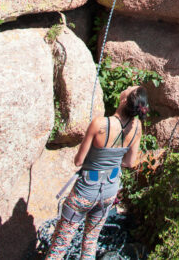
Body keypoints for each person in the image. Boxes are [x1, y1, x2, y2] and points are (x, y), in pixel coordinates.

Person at [45, 85, 148, 260]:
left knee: (59, 246)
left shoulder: (100, 124)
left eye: (131, 87)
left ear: (124, 99)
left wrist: (97, 160)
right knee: (90, 244)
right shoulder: (137, 127)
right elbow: (130, 162)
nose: (129, 85)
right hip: (108, 192)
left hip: (85, 191)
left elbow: (78, 161)